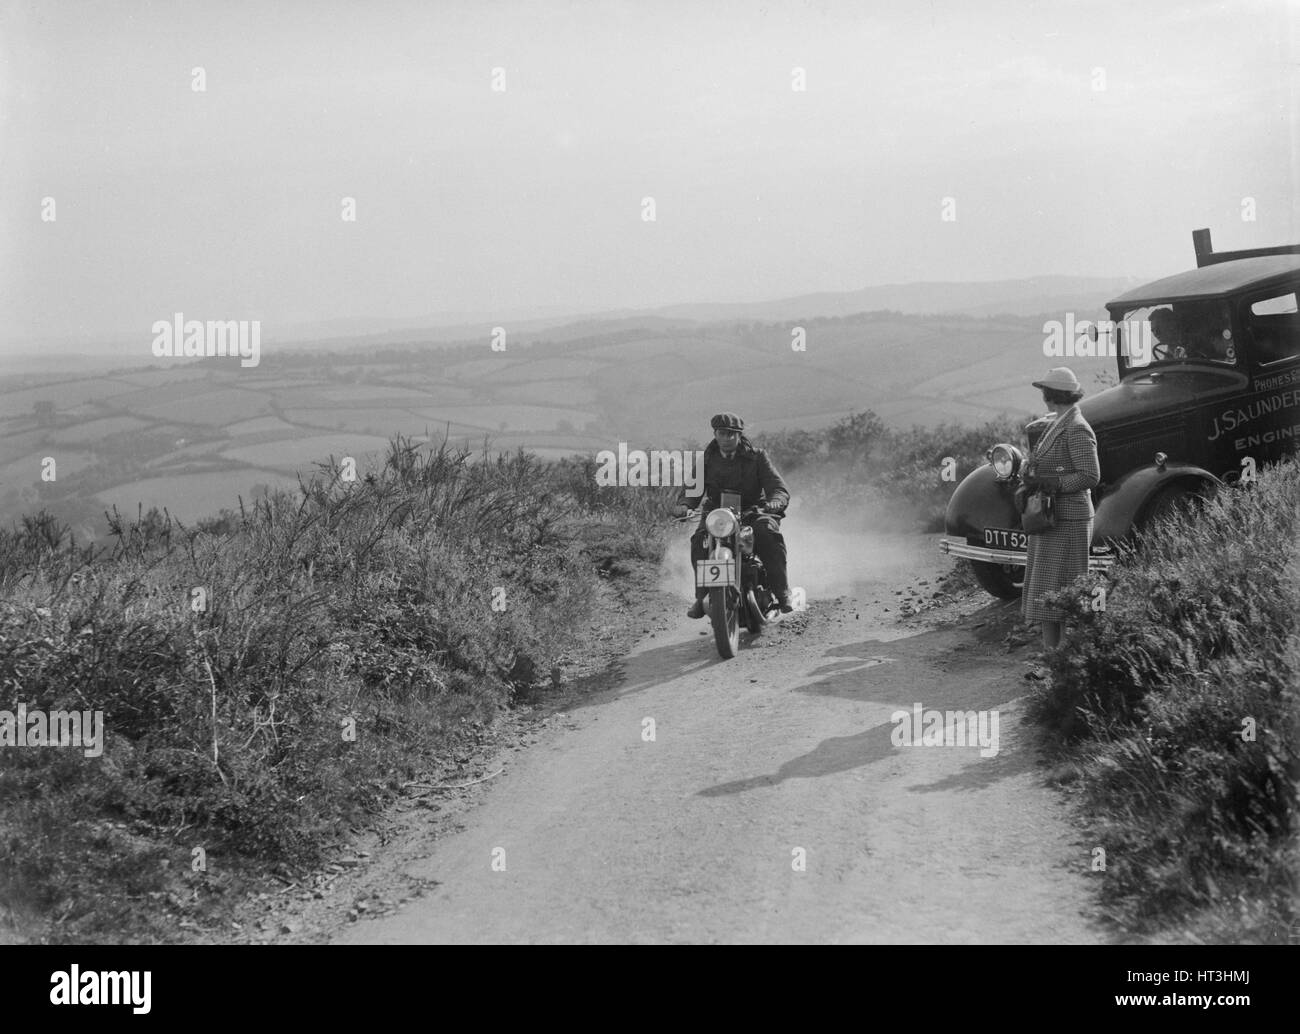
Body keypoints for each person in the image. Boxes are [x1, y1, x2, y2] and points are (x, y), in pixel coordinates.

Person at [1017, 367, 1100, 650]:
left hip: (1069, 518)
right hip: (1053, 519)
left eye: (1044, 392)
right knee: (1048, 593)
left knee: (1061, 593)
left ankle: (1063, 658)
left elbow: (1090, 475)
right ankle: (1052, 658)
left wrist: (1051, 483)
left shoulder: (1076, 427)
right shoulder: (1059, 422)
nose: (1043, 397)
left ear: (1051, 394)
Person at [682, 413, 793, 618]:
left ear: (739, 435)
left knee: (768, 535)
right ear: (715, 434)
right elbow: (692, 491)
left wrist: (776, 501)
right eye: (722, 433)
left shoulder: (757, 457)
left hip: (753, 510)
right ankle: (701, 596)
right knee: (699, 542)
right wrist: (684, 506)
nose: (726, 438)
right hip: (717, 514)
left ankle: (782, 591)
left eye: (731, 434)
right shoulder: (706, 459)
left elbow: (777, 487)